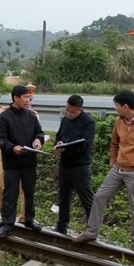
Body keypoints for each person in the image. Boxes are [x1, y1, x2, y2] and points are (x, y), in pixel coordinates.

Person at [73, 90, 134, 253]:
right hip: (117, 169)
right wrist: (113, 161)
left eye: (117, 106)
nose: (116, 109)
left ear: (126, 106)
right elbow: (114, 143)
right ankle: (91, 233)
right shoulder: (119, 122)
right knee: (100, 197)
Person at [0, 85, 45, 237]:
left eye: (29, 97)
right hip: (12, 162)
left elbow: (39, 132)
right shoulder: (4, 116)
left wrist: (38, 140)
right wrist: (13, 147)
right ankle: (7, 223)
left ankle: (29, 219)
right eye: (25, 97)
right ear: (15, 98)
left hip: (29, 161)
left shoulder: (30, 115)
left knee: (29, 192)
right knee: (10, 193)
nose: (28, 100)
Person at [54, 94, 95, 235]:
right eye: (67, 110)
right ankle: (62, 226)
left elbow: (86, 145)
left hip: (80, 165)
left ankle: (92, 230)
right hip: (65, 163)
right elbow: (59, 136)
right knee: (63, 196)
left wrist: (67, 149)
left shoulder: (88, 122)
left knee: (86, 198)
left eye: (72, 111)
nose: (69, 114)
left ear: (80, 109)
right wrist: (58, 144)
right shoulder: (65, 120)